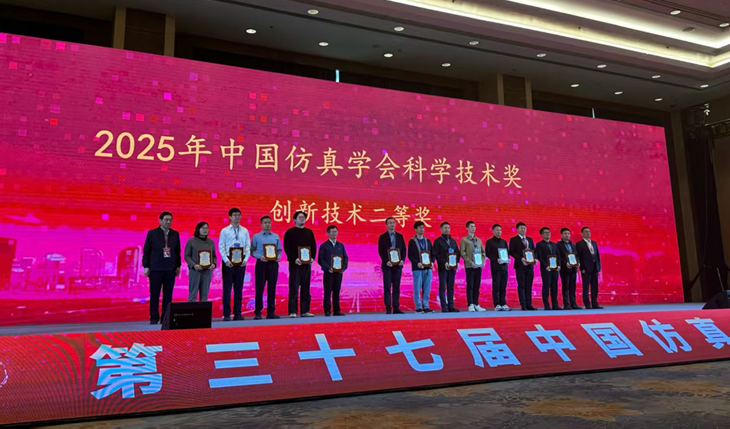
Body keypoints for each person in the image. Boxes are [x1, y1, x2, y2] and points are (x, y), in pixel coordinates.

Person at [142, 211, 181, 324]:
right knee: (154, 294)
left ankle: (165, 318)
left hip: (170, 268)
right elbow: (146, 251)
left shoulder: (175, 234)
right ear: (160, 221)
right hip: (155, 268)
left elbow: (177, 251)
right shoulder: (152, 233)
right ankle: (154, 317)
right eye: (166, 220)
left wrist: (178, 266)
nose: (168, 222)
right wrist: (146, 266)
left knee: (168, 295)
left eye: (170, 220)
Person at [218, 207, 250, 321]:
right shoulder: (224, 231)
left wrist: (245, 259)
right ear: (230, 217)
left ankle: (238, 313)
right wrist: (226, 260)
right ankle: (226, 314)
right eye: (235, 215)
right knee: (227, 289)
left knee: (239, 289)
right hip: (228, 263)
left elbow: (248, 246)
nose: (237, 217)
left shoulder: (245, 231)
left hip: (241, 263)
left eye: (238, 215)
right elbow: (221, 246)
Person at [283, 211, 317, 318]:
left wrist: (312, 258)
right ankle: (292, 311)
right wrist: (294, 259)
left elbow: (313, 246)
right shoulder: (290, 232)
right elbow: (287, 247)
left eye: (303, 217)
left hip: (307, 264)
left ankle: (305, 311)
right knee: (294, 287)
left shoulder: (309, 232)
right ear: (294, 220)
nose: (302, 219)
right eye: (300, 217)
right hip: (295, 263)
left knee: (306, 287)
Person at [251, 216, 282, 320]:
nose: (267, 224)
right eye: (265, 222)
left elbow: (279, 250)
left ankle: (271, 312)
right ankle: (258, 312)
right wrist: (259, 257)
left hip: (273, 264)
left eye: (269, 222)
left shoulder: (276, 236)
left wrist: (278, 257)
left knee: (272, 288)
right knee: (259, 288)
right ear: (261, 224)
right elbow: (252, 251)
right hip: (261, 263)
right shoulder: (256, 237)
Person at [378, 217, 407, 314]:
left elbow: (403, 249)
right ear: (386, 225)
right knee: (387, 286)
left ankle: (396, 307)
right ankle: (388, 308)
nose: (392, 224)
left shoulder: (400, 236)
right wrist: (386, 261)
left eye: (393, 223)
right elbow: (381, 251)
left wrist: (402, 260)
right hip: (387, 265)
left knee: (396, 287)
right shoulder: (382, 237)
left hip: (397, 265)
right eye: (390, 223)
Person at [317, 225, 348, 316]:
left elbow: (345, 258)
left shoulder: (340, 245)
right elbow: (320, 259)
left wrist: (343, 268)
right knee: (327, 292)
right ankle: (327, 310)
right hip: (329, 273)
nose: (334, 233)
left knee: (337, 291)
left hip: (339, 273)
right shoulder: (324, 246)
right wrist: (328, 268)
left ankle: (336, 310)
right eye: (332, 232)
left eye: (335, 232)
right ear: (328, 233)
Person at [184, 222, 217, 302]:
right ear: (198, 229)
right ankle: (191, 309)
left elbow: (213, 256)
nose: (205, 230)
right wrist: (194, 265)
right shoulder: (191, 241)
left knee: (204, 295)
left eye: (207, 228)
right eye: (203, 228)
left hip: (207, 271)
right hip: (195, 271)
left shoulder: (211, 242)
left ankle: (203, 310)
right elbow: (187, 256)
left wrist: (214, 264)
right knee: (193, 295)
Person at [407, 221, 435, 313]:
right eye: (419, 227)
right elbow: (410, 255)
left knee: (427, 288)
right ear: (415, 229)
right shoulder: (412, 241)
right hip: (417, 268)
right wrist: (416, 263)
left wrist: (432, 262)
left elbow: (433, 253)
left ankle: (426, 306)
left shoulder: (427, 241)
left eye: (423, 227)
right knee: (417, 288)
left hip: (428, 268)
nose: (421, 229)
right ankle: (418, 307)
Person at [433, 222, 461, 312]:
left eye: (448, 228)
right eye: (445, 228)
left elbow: (457, 253)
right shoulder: (438, 241)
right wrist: (443, 262)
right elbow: (436, 254)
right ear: (441, 229)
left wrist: (457, 262)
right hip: (443, 267)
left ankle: (451, 306)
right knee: (442, 287)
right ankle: (444, 306)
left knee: (451, 287)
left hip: (452, 268)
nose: (447, 229)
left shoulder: (453, 241)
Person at [460, 221, 487, 312]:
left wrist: (482, 262)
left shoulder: (478, 240)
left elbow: (483, 252)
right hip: (470, 266)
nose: (473, 228)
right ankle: (470, 304)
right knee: (470, 285)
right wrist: (471, 262)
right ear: (467, 228)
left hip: (478, 266)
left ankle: (476, 303)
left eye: (474, 226)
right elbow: (463, 253)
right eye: (471, 226)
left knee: (477, 285)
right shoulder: (464, 240)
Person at [509, 222, 536, 310]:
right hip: (520, 265)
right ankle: (523, 304)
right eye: (521, 228)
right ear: (517, 229)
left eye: (524, 228)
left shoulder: (529, 239)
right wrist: (521, 259)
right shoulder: (514, 239)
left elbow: (533, 251)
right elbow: (512, 252)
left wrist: (534, 259)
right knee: (521, 285)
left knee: (529, 285)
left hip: (530, 266)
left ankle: (529, 304)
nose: (523, 230)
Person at [576, 226, 603, 309]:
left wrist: (599, 266)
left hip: (595, 267)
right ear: (582, 233)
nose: (588, 233)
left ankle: (595, 303)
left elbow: (597, 255)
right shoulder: (579, 244)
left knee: (595, 286)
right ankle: (587, 304)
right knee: (586, 287)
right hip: (586, 268)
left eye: (589, 231)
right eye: (586, 231)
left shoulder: (594, 243)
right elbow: (579, 257)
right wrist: (582, 268)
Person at [486, 224, 510, 311]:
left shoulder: (504, 242)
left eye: (500, 230)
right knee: (496, 285)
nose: (499, 231)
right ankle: (496, 304)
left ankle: (503, 303)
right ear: (493, 231)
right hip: (495, 267)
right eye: (497, 230)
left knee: (503, 286)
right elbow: (488, 254)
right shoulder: (489, 242)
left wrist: (507, 259)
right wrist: (496, 260)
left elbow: (507, 253)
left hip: (504, 267)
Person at [535, 227, 561, 310]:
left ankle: (555, 305)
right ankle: (546, 305)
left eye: (549, 232)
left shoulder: (554, 244)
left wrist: (559, 265)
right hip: (546, 269)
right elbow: (540, 256)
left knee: (554, 287)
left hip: (555, 269)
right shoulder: (539, 244)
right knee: (546, 286)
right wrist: (546, 266)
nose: (548, 234)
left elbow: (558, 256)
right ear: (542, 234)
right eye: (546, 232)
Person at [557, 227, 581, 309]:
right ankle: (566, 304)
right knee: (566, 286)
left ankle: (573, 304)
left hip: (573, 269)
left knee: (572, 287)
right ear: (561, 235)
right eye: (565, 234)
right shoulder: (559, 245)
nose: (567, 235)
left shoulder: (573, 245)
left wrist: (578, 262)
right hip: (565, 269)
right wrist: (565, 263)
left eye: (568, 234)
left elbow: (576, 255)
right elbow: (559, 257)